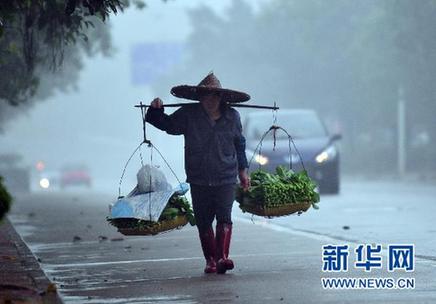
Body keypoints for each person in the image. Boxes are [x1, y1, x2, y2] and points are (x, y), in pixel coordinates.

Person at [146, 72, 250, 274]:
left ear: (221, 98)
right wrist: (155, 111)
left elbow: (240, 144)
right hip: (199, 176)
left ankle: (222, 258)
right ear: (200, 98)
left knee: (224, 217)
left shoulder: (232, 117)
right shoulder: (188, 115)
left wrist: (243, 171)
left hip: (226, 176)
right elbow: (167, 125)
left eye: (214, 96)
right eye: (206, 96)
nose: (210, 100)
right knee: (203, 219)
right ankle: (210, 260)